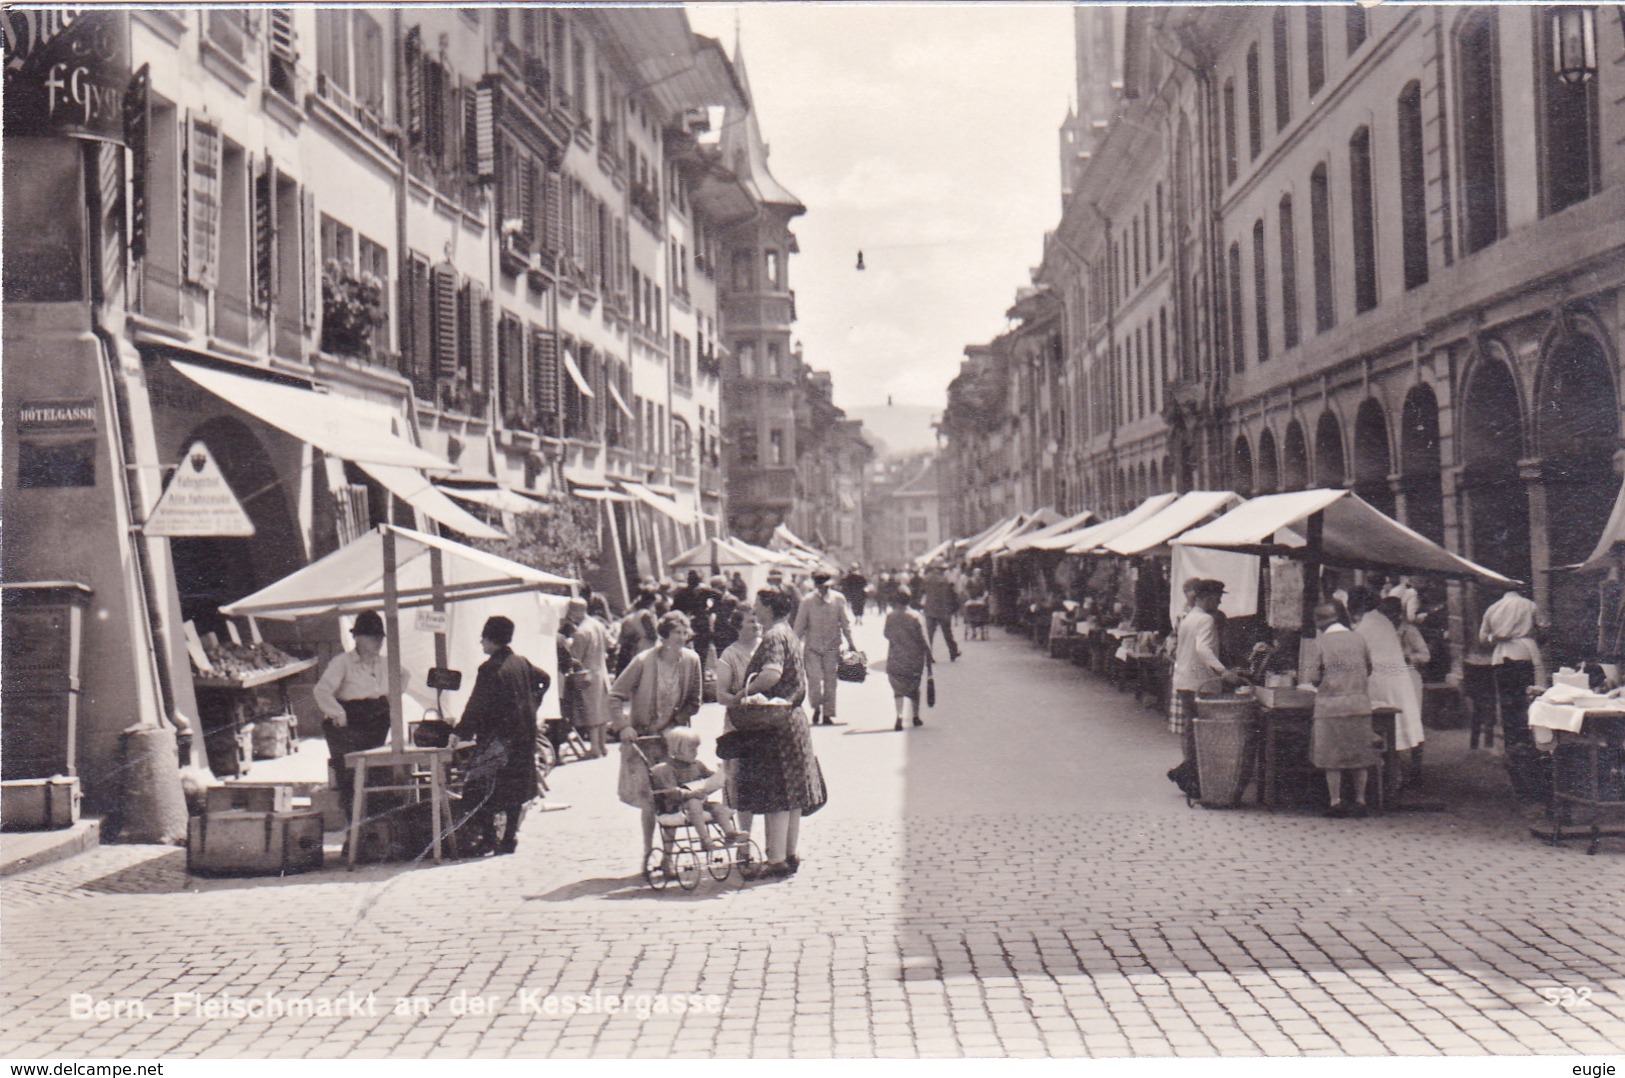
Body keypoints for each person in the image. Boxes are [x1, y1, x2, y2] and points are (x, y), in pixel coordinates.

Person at [728, 589, 826, 879]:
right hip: (793, 720)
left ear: (769, 607)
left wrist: (744, 692)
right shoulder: (789, 633)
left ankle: (776, 860)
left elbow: (771, 674)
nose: (755, 610)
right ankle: (789, 853)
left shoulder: (772, 637)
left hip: (775, 722)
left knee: (777, 794)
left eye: (758, 605)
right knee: (792, 795)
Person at [612, 611, 704, 863]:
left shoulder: (692, 660)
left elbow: (694, 702)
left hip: (673, 742)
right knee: (649, 799)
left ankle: (667, 855)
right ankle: (646, 850)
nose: (682, 638)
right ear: (663, 636)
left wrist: (673, 725)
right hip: (643, 740)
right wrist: (623, 727)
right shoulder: (643, 661)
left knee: (671, 797)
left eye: (685, 633)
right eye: (677, 633)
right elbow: (615, 695)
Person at [454, 616, 551, 855]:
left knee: (479, 787)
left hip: (497, 740)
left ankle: (489, 839)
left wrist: (460, 732)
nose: (480, 642)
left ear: (491, 639)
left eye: (483, 638)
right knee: (515, 788)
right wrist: (532, 704)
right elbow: (545, 679)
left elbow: (475, 704)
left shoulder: (489, 669)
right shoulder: (521, 662)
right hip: (522, 736)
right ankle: (509, 837)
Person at [312, 610, 396, 818]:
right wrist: (338, 713)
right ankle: (354, 835)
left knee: (376, 775)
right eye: (371, 636)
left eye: (380, 637)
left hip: (375, 721)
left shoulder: (384, 663)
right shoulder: (342, 662)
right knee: (350, 779)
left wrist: (390, 700)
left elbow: (403, 676)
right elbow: (321, 691)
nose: (377, 641)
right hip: (348, 725)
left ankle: (375, 833)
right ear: (357, 638)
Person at [1300, 600, 1379, 818]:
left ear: (1321, 622)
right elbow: (1369, 668)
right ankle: (1360, 801)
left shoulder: (1321, 643)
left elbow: (1314, 677)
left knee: (1331, 757)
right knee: (1359, 755)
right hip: (1359, 705)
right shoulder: (1359, 639)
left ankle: (1335, 802)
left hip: (1330, 707)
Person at [1479, 582, 1550, 801]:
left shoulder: (1493, 608)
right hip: (1525, 655)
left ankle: (1513, 751)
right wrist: (1537, 640)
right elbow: (1545, 627)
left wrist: (1496, 638)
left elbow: (1483, 638)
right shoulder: (1529, 605)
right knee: (1528, 702)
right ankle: (1530, 748)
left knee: (1508, 706)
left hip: (1502, 657)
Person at [1352, 587, 1425, 758]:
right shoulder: (1382, 621)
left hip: (1383, 684)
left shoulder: (1364, 627)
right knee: (1403, 729)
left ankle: (1390, 775)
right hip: (1397, 681)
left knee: (1386, 732)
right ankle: (1398, 772)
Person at [1168, 579, 1228, 777]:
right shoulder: (1205, 619)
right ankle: (1195, 774)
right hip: (1199, 683)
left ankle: (1189, 772)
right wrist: (1223, 671)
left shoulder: (1189, 617)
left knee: (1191, 728)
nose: (1219, 602)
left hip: (1184, 680)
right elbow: (1203, 649)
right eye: (1217, 598)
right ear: (1207, 598)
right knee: (1200, 731)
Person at [714, 606, 764, 847]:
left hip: (769, 722)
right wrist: (741, 698)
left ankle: (774, 846)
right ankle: (744, 842)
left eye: (757, 621)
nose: (756, 626)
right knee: (742, 785)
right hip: (740, 726)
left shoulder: (767, 648)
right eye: (750, 622)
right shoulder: (729, 655)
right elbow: (721, 694)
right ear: (737, 627)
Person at [655, 727, 742, 852]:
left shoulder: (697, 765)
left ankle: (730, 833)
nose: (695, 752)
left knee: (717, 807)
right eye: (691, 749)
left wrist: (719, 775)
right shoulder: (668, 768)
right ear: (677, 749)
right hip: (678, 806)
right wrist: (690, 794)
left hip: (700, 802)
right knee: (694, 803)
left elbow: (710, 777)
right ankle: (705, 840)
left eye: (696, 748)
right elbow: (671, 791)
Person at [793, 569, 855, 726]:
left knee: (830, 682)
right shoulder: (807, 601)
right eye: (821, 586)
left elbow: (845, 622)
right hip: (812, 647)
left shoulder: (838, 599)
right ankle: (816, 707)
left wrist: (851, 642)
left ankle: (828, 714)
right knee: (814, 680)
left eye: (826, 586)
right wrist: (793, 645)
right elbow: (799, 626)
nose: (824, 589)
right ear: (816, 585)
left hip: (832, 646)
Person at [565, 597, 613, 758]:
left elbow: (575, 656)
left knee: (590, 712)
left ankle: (594, 748)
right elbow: (609, 644)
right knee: (602, 711)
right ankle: (602, 745)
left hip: (587, 675)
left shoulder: (581, 632)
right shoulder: (598, 624)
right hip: (601, 671)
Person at [883, 588, 933, 730]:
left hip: (896, 658)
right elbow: (924, 638)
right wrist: (929, 655)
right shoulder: (915, 616)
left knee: (898, 690)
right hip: (914, 659)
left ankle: (899, 717)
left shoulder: (890, 616)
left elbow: (886, 634)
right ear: (909, 599)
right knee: (914, 688)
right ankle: (915, 716)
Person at [670, 570, 720, 676]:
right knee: (699, 651)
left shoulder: (684, 591)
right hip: (699, 621)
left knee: (693, 650)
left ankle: (696, 673)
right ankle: (698, 672)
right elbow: (719, 595)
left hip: (693, 621)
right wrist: (711, 610)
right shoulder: (701, 590)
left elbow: (674, 608)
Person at [921, 563, 962, 662]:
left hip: (930, 609)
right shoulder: (944, 580)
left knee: (929, 634)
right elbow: (949, 596)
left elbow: (922, 592)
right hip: (943, 610)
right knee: (947, 633)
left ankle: (928, 656)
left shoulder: (926, 579)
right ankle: (953, 652)